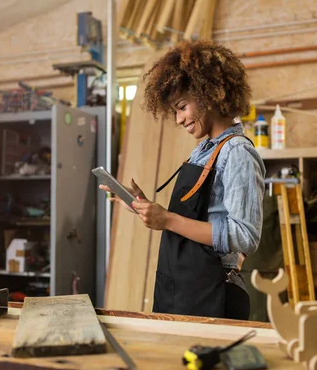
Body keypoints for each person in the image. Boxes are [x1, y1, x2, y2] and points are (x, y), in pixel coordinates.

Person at [100, 40, 266, 320]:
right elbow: (198, 214)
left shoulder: (237, 151)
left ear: (209, 94)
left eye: (181, 107)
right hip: (180, 285)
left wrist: (167, 220)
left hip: (213, 293)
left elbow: (245, 236)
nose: (178, 119)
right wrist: (141, 206)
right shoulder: (204, 150)